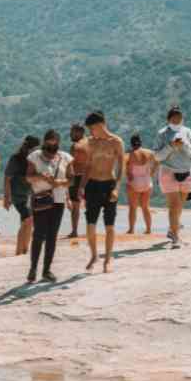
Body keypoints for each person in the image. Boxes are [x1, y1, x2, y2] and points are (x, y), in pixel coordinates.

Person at [79, 111, 124, 273]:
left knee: (109, 225)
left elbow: (121, 168)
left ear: (99, 125)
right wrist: (81, 187)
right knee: (90, 224)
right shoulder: (90, 142)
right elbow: (88, 166)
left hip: (109, 185)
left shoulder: (116, 142)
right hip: (92, 185)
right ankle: (94, 255)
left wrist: (117, 189)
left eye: (91, 128)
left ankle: (108, 259)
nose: (91, 132)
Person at [26, 130, 73, 283]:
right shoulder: (35, 156)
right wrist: (41, 177)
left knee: (52, 236)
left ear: (58, 143)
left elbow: (72, 179)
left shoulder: (65, 157)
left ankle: (46, 270)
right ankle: (33, 268)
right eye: (49, 143)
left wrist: (59, 183)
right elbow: (28, 177)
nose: (51, 146)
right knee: (38, 234)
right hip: (41, 199)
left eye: (54, 143)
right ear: (44, 142)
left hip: (58, 200)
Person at [154, 106, 191, 249]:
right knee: (174, 205)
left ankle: (171, 229)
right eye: (174, 118)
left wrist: (184, 144)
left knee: (179, 206)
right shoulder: (162, 133)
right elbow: (157, 156)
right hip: (168, 171)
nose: (177, 120)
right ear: (168, 119)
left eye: (180, 118)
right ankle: (176, 237)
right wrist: (171, 146)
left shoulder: (188, 132)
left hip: (186, 172)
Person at [4, 135, 40, 256]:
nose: (36, 151)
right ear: (28, 147)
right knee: (27, 219)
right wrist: (6, 198)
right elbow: (7, 178)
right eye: (34, 148)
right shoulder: (15, 159)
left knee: (29, 221)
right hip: (17, 195)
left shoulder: (35, 160)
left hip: (28, 195)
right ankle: (18, 251)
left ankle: (25, 249)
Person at [125, 134, 157, 234]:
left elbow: (126, 167)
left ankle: (131, 229)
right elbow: (158, 161)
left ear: (131, 143)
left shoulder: (129, 154)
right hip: (147, 181)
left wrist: (128, 174)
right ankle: (148, 229)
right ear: (140, 142)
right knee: (145, 206)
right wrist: (152, 172)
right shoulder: (149, 152)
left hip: (135, 181)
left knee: (132, 207)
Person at [67, 123, 89, 238]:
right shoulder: (91, 142)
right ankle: (91, 229)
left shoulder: (75, 146)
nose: (70, 134)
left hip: (77, 176)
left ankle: (74, 231)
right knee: (90, 205)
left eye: (72, 132)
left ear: (79, 132)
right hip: (90, 176)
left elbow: (70, 165)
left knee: (75, 205)